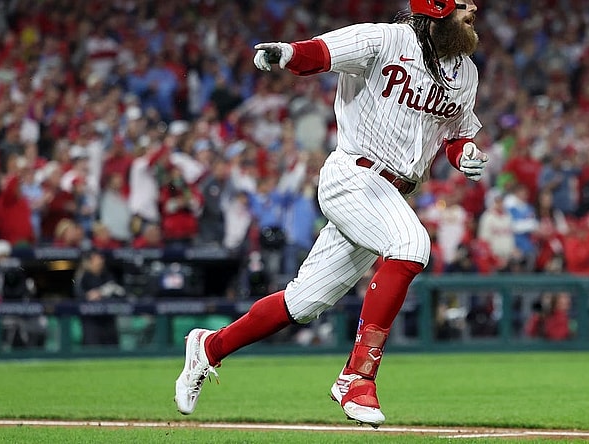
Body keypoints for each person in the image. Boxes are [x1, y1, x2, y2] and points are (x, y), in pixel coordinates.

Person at [174, 0, 486, 427]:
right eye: (463, 2)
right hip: (353, 176)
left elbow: (455, 132)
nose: (473, 9)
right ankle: (356, 377)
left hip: (390, 194)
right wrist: (286, 53)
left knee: (303, 302)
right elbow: (320, 52)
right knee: (411, 245)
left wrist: (462, 152)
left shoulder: (465, 71)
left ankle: (208, 348)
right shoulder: (385, 39)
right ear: (436, 8)